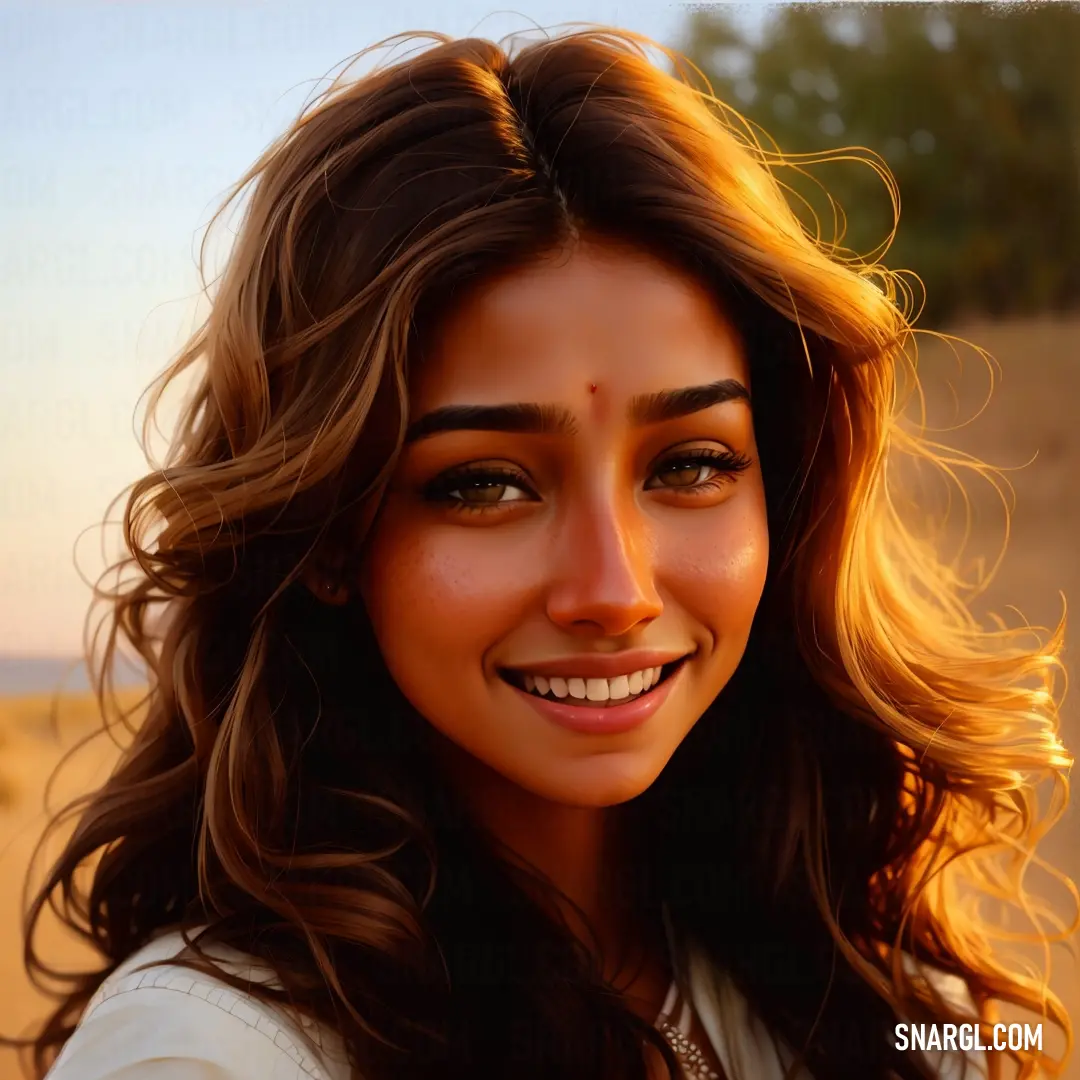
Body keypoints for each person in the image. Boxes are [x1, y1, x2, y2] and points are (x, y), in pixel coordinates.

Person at [9, 26, 1073, 1080]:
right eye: (484, 483)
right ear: (328, 532)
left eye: (692, 464)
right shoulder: (209, 1057)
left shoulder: (880, 999)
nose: (614, 590)